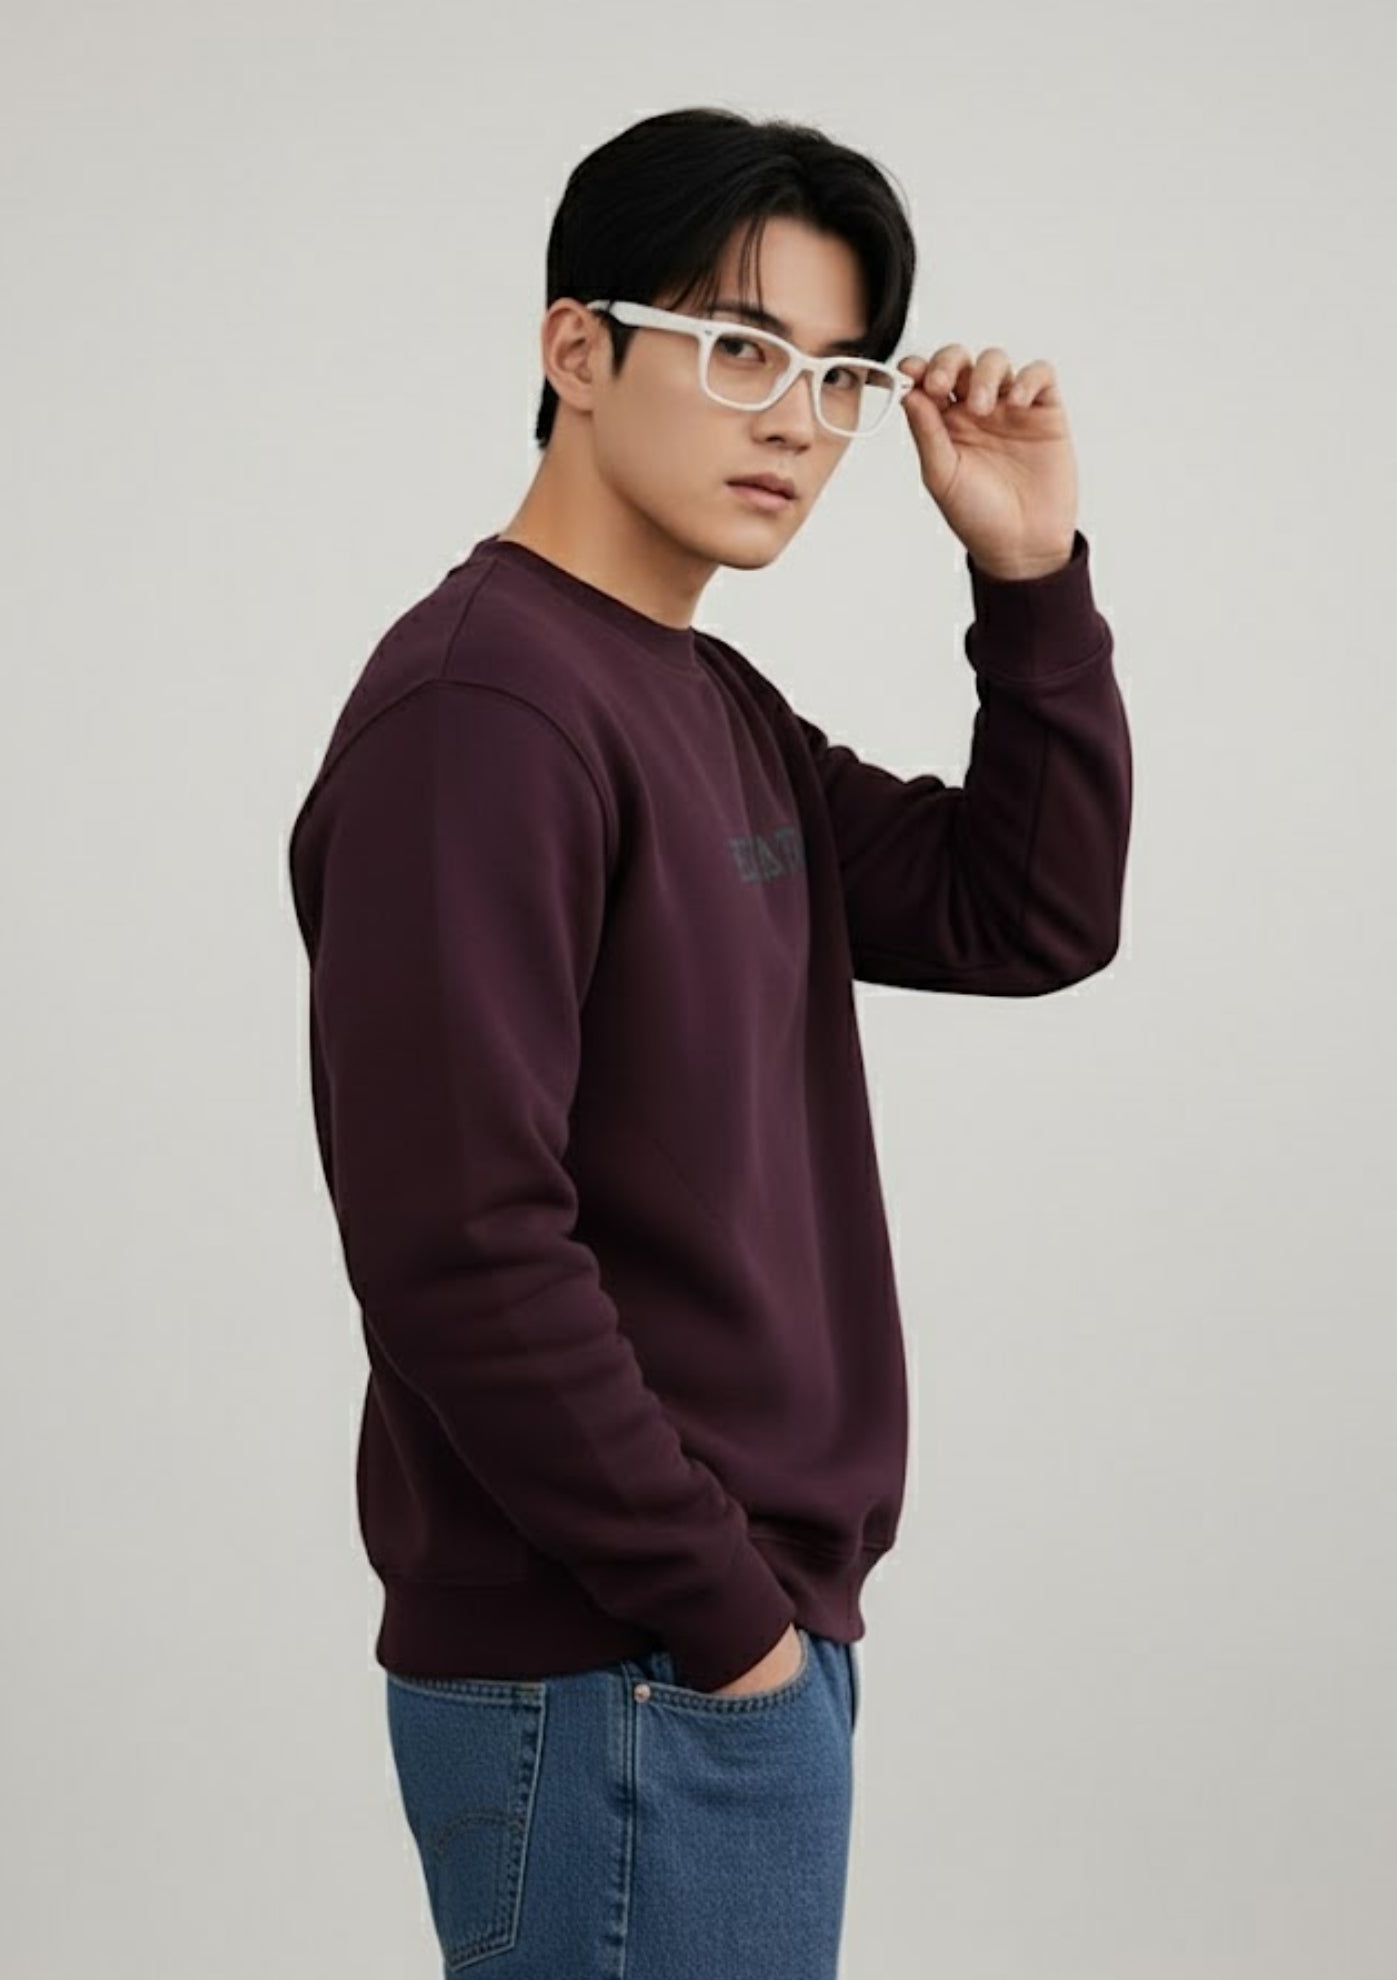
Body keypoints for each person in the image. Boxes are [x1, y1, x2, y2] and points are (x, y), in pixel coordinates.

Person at [286, 103, 1132, 1980]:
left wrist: (1029, 573)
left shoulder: (695, 693)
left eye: (836, 375)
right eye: (739, 348)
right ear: (574, 350)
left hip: (708, 1650)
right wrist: (717, 1615)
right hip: (625, 1663)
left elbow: (1027, 913)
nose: (797, 422)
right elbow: (457, 1242)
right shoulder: (483, 713)